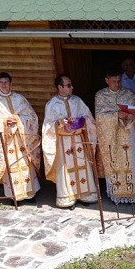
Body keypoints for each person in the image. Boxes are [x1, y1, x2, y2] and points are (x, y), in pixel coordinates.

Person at [0, 72, 41, 202]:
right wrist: (3, 123)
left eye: (6, 82)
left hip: (22, 141)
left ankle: (30, 194)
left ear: (11, 83)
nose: (3, 85)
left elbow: (32, 117)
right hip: (6, 142)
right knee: (10, 167)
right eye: (1, 82)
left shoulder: (20, 99)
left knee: (26, 165)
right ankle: (14, 196)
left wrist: (17, 120)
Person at [42, 75, 99, 209]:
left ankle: (85, 195)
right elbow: (47, 126)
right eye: (68, 85)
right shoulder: (52, 104)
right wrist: (60, 123)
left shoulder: (77, 101)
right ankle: (68, 198)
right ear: (60, 87)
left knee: (82, 166)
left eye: (71, 85)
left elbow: (89, 118)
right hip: (63, 143)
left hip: (79, 140)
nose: (71, 87)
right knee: (66, 170)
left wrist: (80, 120)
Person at [95, 68, 135, 204]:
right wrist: (116, 115)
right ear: (107, 81)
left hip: (129, 135)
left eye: (119, 81)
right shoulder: (100, 96)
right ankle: (116, 195)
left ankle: (133, 193)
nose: (117, 84)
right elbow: (99, 117)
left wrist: (131, 116)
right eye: (113, 81)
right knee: (115, 164)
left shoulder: (128, 94)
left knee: (132, 163)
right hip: (112, 138)